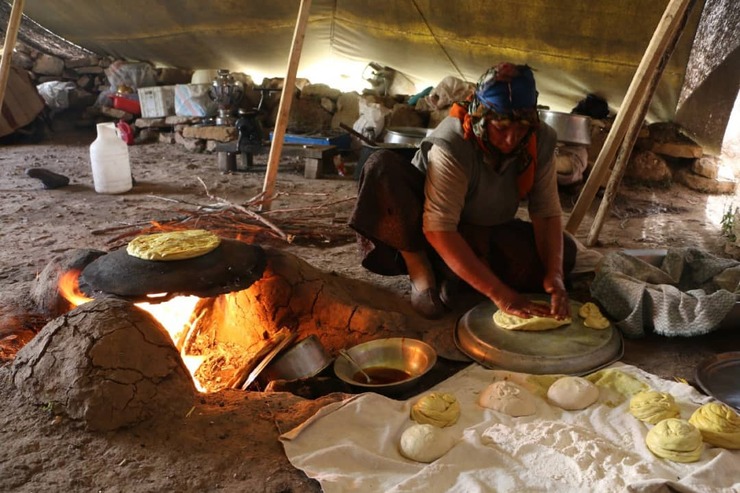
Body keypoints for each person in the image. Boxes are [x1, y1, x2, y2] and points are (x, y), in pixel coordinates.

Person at [349, 62, 576, 320]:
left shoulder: (540, 139)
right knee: (381, 167)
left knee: (565, 256)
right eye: (501, 128)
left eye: (521, 129)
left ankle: (453, 274)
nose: (512, 139)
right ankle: (421, 270)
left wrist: (554, 277)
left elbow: (546, 213)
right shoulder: (453, 142)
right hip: (423, 232)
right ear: (481, 116)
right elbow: (439, 228)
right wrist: (501, 294)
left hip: (481, 231)